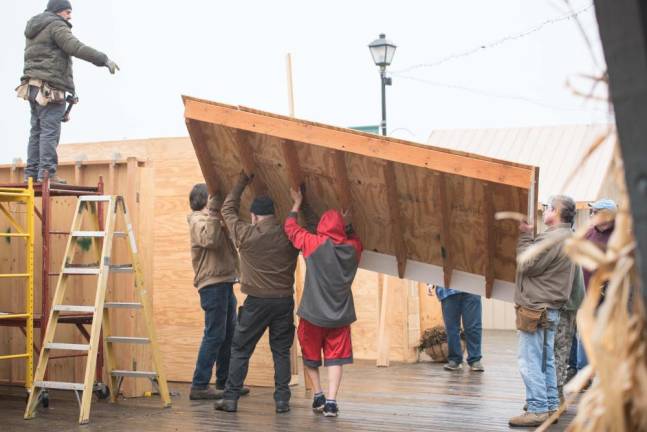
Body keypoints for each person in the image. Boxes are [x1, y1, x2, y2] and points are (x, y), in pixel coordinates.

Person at [215, 172, 299, 414]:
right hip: (284, 302)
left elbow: (228, 210)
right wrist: (297, 205)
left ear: (253, 216)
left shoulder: (246, 234)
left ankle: (230, 399)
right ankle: (282, 401)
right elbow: (311, 227)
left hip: (256, 304)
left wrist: (241, 181)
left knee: (240, 350)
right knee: (281, 351)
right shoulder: (289, 234)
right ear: (274, 215)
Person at [18, 0, 119, 184]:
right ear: (57, 12)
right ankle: (47, 175)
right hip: (50, 88)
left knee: (37, 131)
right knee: (49, 132)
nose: (69, 16)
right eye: (67, 12)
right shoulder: (56, 25)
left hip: (33, 87)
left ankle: (31, 175)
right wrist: (103, 60)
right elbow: (76, 47)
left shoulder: (35, 27)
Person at [284, 188, 363, 418]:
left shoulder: (313, 243)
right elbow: (356, 239)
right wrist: (347, 223)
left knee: (310, 355)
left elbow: (290, 229)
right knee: (335, 358)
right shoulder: (353, 249)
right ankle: (331, 402)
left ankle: (317, 393)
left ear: (321, 228)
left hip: (312, 315)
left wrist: (297, 203)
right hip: (340, 317)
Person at [508, 195, 576, 428]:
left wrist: (525, 236)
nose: (544, 210)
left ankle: (537, 409)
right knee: (545, 361)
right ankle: (548, 405)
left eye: (547, 207)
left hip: (537, 308)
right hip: (549, 309)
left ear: (556, 211)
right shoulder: (566, 236)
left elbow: (527, 263)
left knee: (529, 361)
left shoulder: (554, 238)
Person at [186, 184, 248, 400]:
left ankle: (224, 382)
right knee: (214, 334)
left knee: (229, 333)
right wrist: (214, 213)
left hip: (224, 282)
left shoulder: (212, 219)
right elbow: (210, 241)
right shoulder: (197, 219)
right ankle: (200, 385)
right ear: (206, 201)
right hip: (213, 285)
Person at [576, 198, 617, 371]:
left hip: (611, 297)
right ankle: (583, 373)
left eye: (595, 212)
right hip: (588, 295)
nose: (591, 215)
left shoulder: (620, 235)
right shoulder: (588, 232)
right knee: (585, 334)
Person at [435, 286, 484, 372]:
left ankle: (475, 359)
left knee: (473, 326)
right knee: (451, 328)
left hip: (472, 287)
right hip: (448, 290)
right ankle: (455, 359)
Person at [554, 264, 584, 402]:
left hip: (566, 305)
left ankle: (557, 395)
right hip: (567, 303)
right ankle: (553, 395)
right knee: (559, 351)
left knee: (560, 351)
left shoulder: (566, 245)